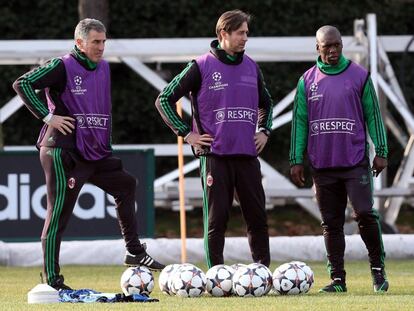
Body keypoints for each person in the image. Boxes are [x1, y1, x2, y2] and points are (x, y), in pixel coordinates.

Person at [13, 18, 165, 290]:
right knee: (58, 214)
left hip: (93, 152)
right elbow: (23, 84)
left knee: (126, 184)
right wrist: (49, 117)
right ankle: (53, 281)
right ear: (79, 43)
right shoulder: (61, 66)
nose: (101, 47)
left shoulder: (103, 68)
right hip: (63, 150)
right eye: (96, 41)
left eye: (104, 41)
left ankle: (133, 251)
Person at [155, 10, 273, 268]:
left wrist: (264, 130)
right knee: (216, 220)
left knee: (257, 218)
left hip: (247, 156)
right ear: (223, 34)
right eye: (241, 33)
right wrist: (187, 134)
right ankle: (215, 275)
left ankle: (263, 272)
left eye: (246, 33)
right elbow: (164, 99)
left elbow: (266, 104)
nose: (245, 38)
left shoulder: (251, 67)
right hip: (215, 157)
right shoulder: (200, 66)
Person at [289, 25, 389, 293]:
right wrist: (296, 159)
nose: (333, 51)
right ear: (318, 48)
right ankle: (337, 280)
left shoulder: (359, 76)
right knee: (331, 224)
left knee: (365, 214)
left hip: (355, 161)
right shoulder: (306, 81)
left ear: (342, 45)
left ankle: (378, 271)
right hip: (322, 165)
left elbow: (373, 115)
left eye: (337, 46)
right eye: (327, 47)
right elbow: (300, 122)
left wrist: (382, 151)